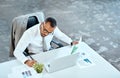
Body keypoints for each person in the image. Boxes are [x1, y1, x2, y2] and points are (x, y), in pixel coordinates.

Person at [14, 17, 78, 67]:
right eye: (45, 30)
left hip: (49, 53)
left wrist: (71, 42)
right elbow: (17, 51)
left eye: (49, 32)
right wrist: (26, 61)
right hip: (36, 55)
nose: (46, 34)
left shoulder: (52, 29)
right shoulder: (29, 33)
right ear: (42, 24)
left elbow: (61, 35)